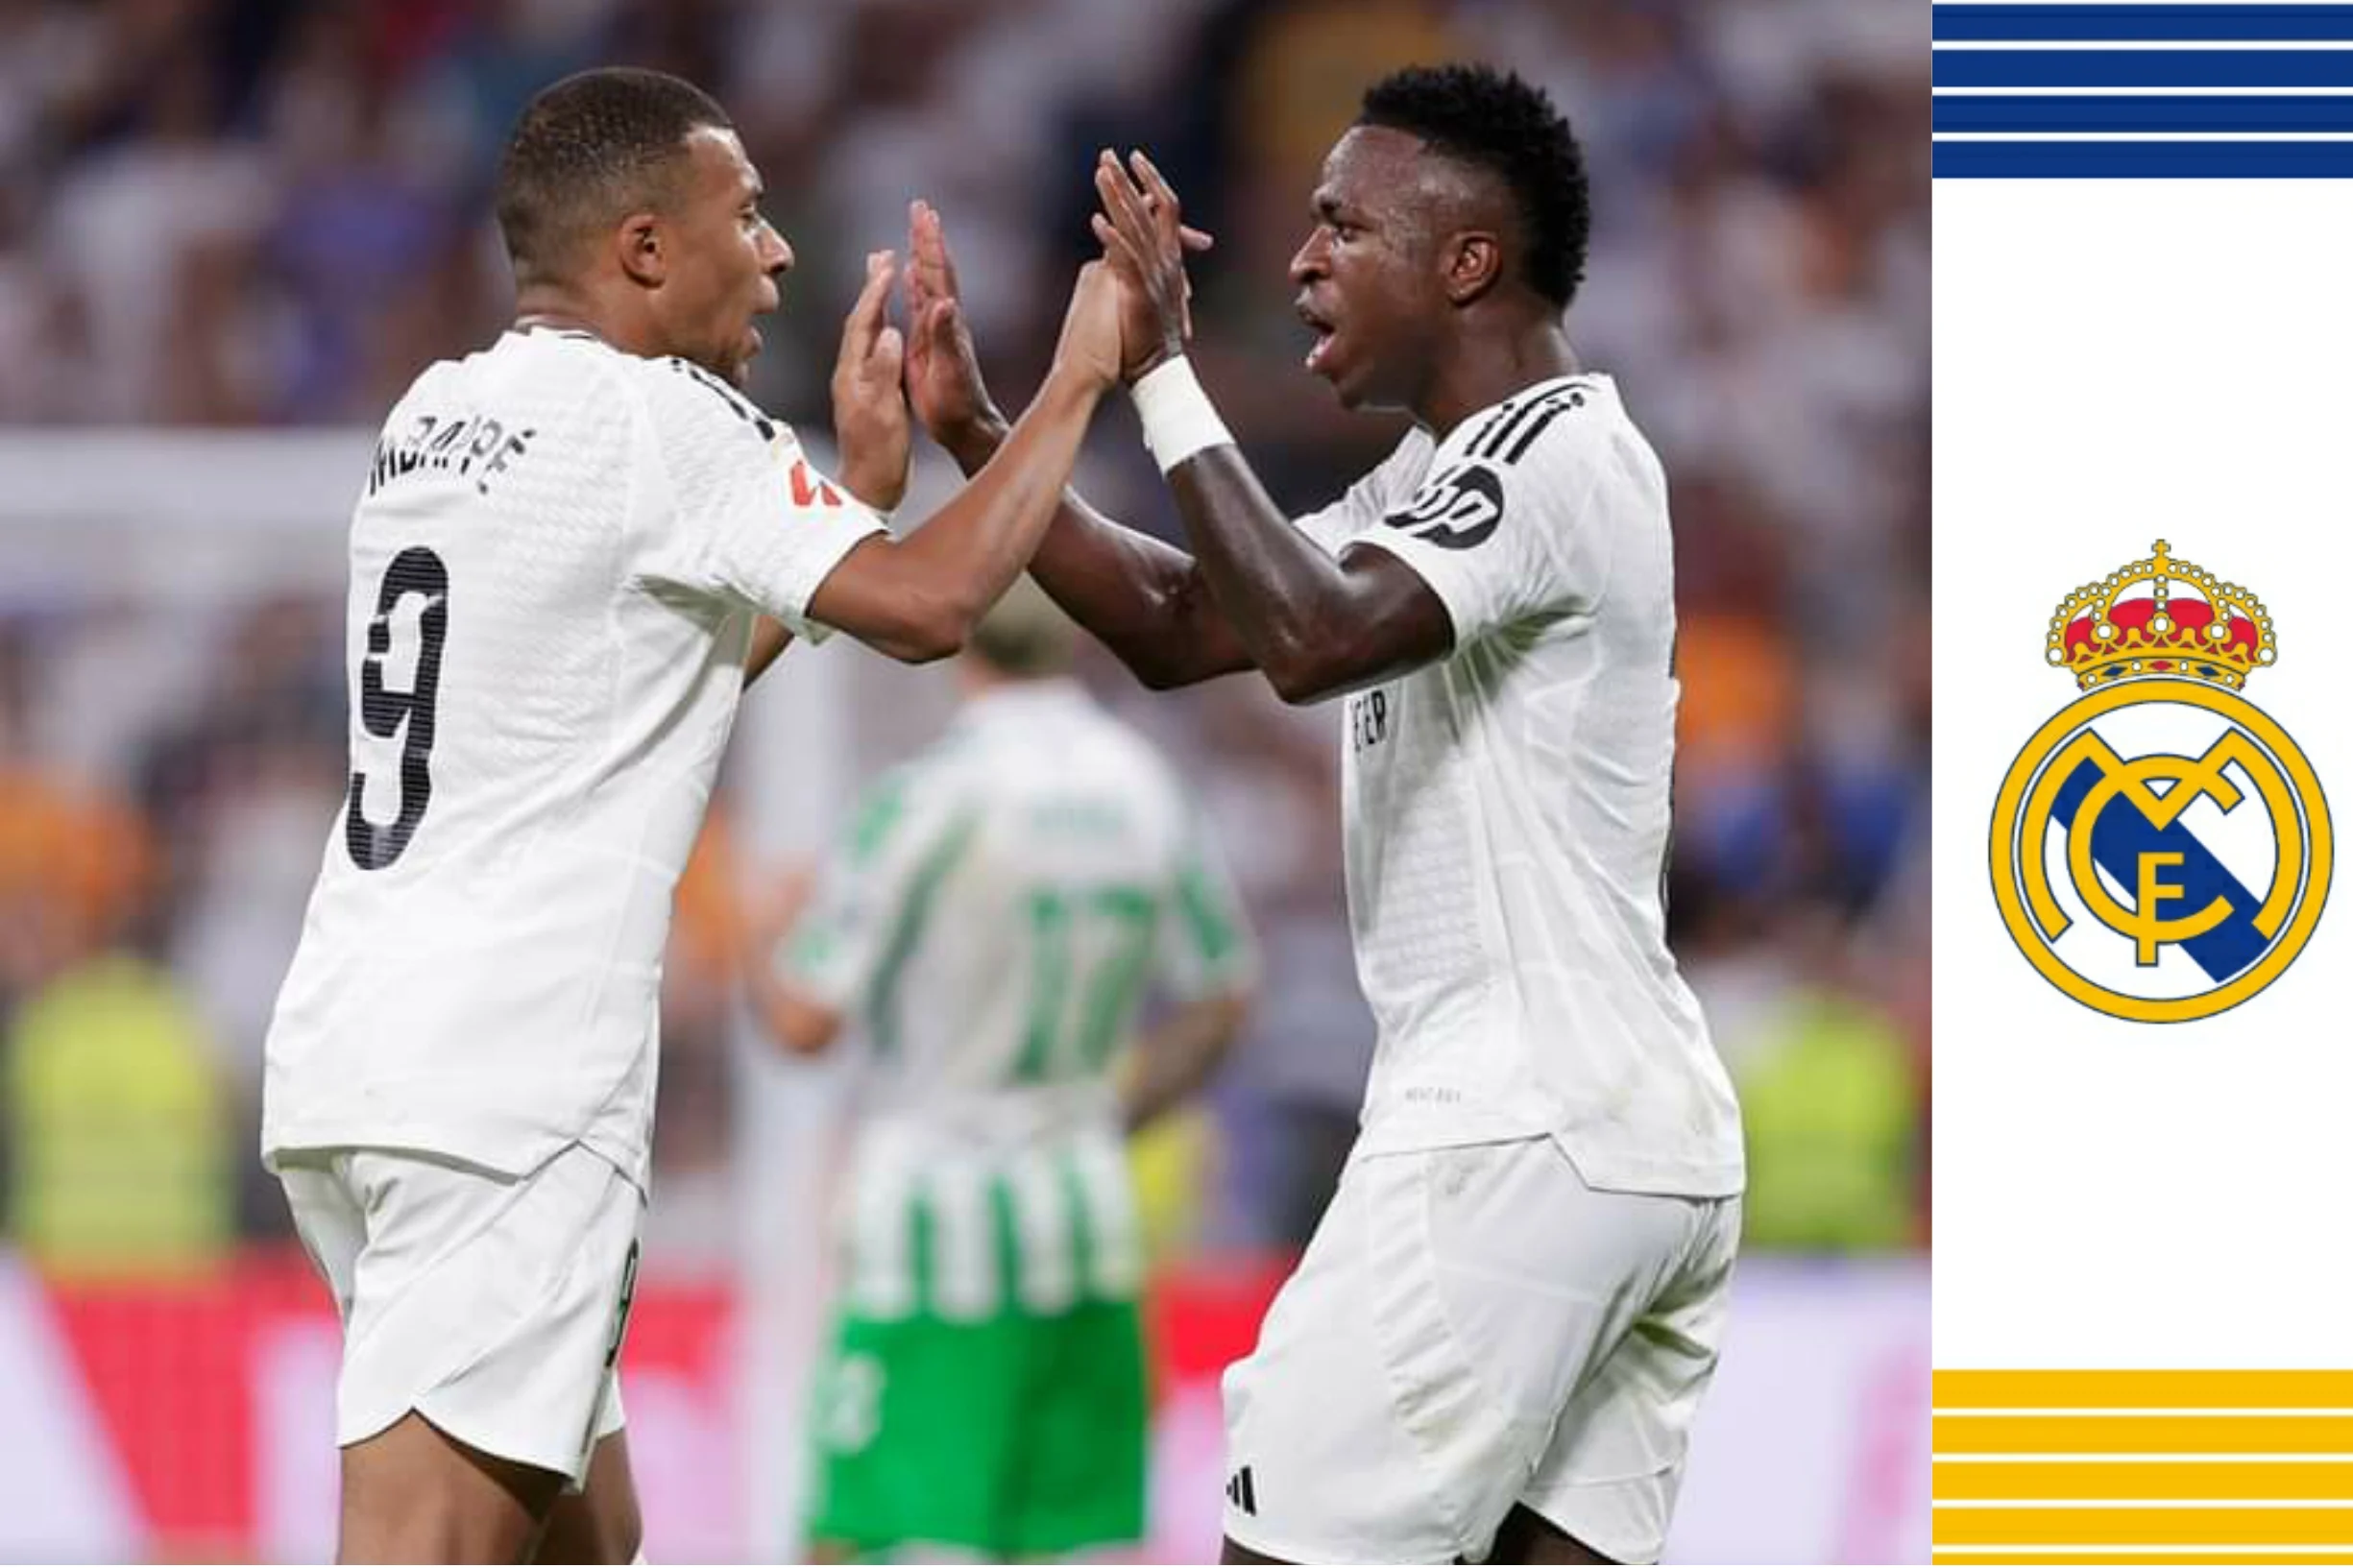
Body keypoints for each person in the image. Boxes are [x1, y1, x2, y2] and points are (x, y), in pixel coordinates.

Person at [259, 66, 1128, 1564]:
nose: (779, 254)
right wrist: (1081, 375)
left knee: (593, 1536)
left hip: (357, 1052)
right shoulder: (663, 421)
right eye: (749, 215)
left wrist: (854, 497)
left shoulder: (436, 411)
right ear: (646, 249)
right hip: (509, 1092)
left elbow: (633, 683)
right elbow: (932, 609)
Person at [902, 63, 1744, 1566]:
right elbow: (1183, 622)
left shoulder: (1548, 452)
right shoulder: (1437, 480)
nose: (1297, 262)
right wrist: (983, 434)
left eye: (1343, 226)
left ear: (1466, 261)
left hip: (1511, 1126)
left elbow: (1309, 639)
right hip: (1633, 1140)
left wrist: (1162, 373)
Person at [748, 577, 1256, 1563]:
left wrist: (759, 934)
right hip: (1084, 1217)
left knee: (859, 1535)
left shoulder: (929, 797)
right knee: (1071, 1545)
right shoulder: (1143, 785)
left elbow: (806, 1019)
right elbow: (1224, 993)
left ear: (956, 641)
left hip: (930, 1224)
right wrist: (1101, 1118)